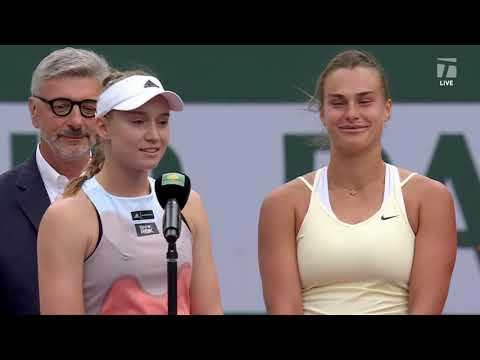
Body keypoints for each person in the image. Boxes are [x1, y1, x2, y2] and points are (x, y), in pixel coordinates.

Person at [258, 49, 457, 315]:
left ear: (387, 109)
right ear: (322, 113)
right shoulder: (281, 205)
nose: (351, 113)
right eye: (338, 103)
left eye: (364, 101)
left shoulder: (430, 199)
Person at [37, 70, 223, 315]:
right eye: (138, 122)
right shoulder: (67, 216)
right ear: (102, 127)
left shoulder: (187, 203)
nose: (154, 135)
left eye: (163, 122)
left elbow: (209, 310)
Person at [0, 47, 110, 315]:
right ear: (34, 112)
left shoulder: (137, 198)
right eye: (60, 107)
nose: (75, 121)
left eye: (89, 108)